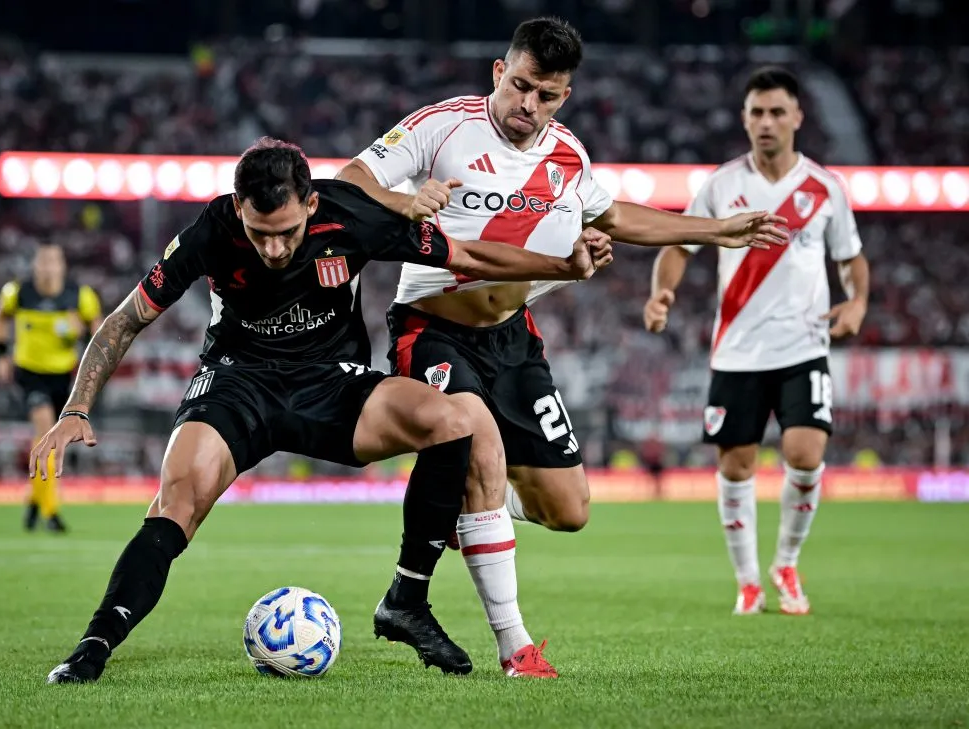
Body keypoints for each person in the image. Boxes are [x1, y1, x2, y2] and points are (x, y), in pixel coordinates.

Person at [37, 138, 611, 684]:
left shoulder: (350, 215)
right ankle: (93, 646)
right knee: (176, 501)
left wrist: (564, 266)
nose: (274, 250)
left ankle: (406, 600)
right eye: (259, 234)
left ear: (311, 204)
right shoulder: (212, 229)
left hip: (332, 383)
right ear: (238, 208)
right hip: (239, 383)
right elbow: (126, 319)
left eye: (286, 233)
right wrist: (76, 408)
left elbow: (465, 255)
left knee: (453, 423)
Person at [336, 15, 786, 659]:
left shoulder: (568, 155)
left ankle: (470, 505)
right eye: (520, 86)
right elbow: (351, 179)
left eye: (546, 95)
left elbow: (616, 215)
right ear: (500, 71)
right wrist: (401, 202)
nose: (529, 104)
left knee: (568, 510)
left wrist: (715, 230)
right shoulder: (442, 126)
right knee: (477, 442)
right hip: (432, 328)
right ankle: (516, 647)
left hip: (513, 338)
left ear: (565, 95)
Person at [643, 67, 870, 615]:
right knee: (736, 466)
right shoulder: (721, 185)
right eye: (757, 113)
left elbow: (851, 257)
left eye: (776, 112)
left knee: (805, 453)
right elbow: (677, 246)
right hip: (738, 350)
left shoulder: (824, 187)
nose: (766, 122)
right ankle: (748, 580)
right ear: (744, 120)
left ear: (797, 117)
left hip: (804, 346)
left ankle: (786, 563)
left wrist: (858, 301)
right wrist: (661, 294)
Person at [0, 242, 102, 532]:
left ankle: (34, 500)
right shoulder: (18, 292)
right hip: (30, 373)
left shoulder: (81, 296)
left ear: (63, 266)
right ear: (35, 265)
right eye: (43, 261)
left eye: (54, 261)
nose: (48, 267)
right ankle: (51, 513)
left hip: (64, 376)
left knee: (48, 437)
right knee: (46, 430)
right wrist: (0, 354)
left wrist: (80, 333)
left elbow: (99, 331)